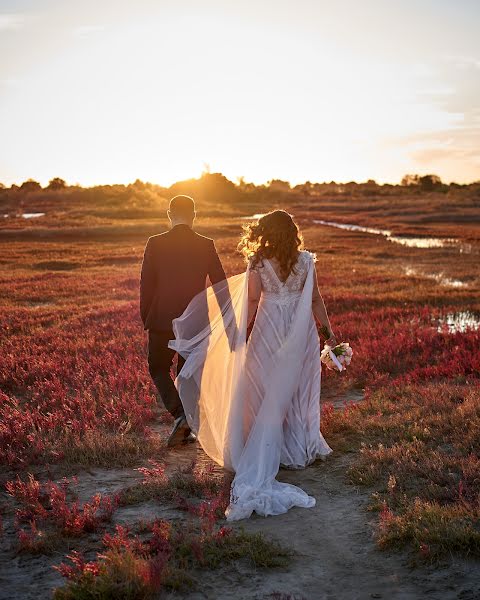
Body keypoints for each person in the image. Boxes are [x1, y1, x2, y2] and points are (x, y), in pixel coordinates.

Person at [169, 210, 336, 520]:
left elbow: (253, 301)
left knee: (261, 385)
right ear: (293, 233)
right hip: (301, 333)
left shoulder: (259, 263)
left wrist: (237, 335)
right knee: (300, 388)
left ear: (267, 232)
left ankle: (268, 445)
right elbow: (315, 301)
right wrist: (330, 335)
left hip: (270, 329)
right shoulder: (306, 262)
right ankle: (297, 449)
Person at [140, 195, 226, 446]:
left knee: (157, 367)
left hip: (161, 319)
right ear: (194, 215)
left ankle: (181, 417)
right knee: (187, 373)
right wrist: (226, 316)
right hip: (196, 321)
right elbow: (220, 284)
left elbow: (147, 283)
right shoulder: (206, 244)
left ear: (169, 215)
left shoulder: (155, 243)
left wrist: (147, 316)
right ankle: (185, 421)